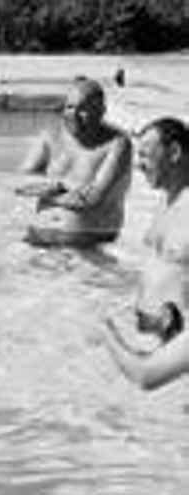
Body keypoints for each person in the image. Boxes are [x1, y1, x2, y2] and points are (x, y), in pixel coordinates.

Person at [102, 117, 189, 389]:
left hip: (173, 357)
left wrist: (104, 332)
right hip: (155, 341)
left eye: (145, 155)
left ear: (174, 153)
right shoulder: (170, 196)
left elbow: (146, 377)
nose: (137, 164)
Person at [15, 78, 132, 248]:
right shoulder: (50, 137)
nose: (74, 115)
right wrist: (69, 188)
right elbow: (18, 183)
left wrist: (51, 191)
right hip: (38, 237)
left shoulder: (117, 144)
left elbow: (92, 199)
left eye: (84, 109)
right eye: (70, 107)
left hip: (90, 244)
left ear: (102, 111)